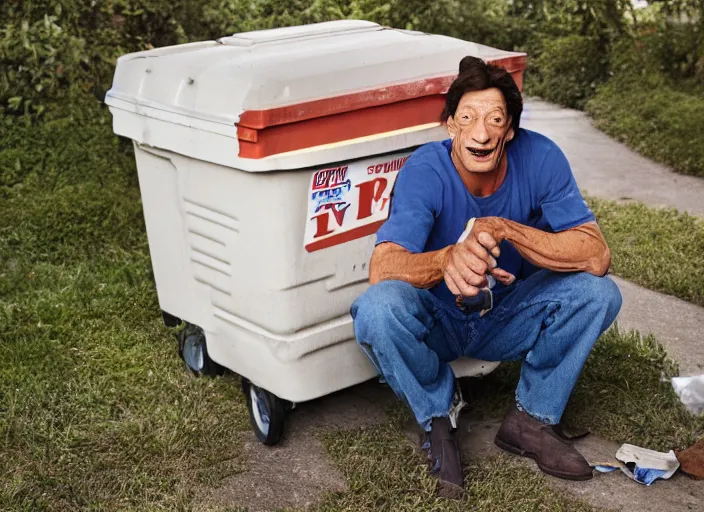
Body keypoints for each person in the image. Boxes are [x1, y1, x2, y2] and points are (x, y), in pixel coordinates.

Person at [350, 56, 622, 498]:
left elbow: (595, 255)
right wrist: (447, 261)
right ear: (450, 125)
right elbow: (383, 267)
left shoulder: (541, 157)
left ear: (510, 129)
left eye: (495, 119)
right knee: (377, 310)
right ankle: (438, 418)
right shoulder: (425, 169)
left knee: (598, 294)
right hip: (437, 319)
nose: (481, 133)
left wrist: (502, 227)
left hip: (505, 315)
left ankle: (531, 421)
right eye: (468, 118)